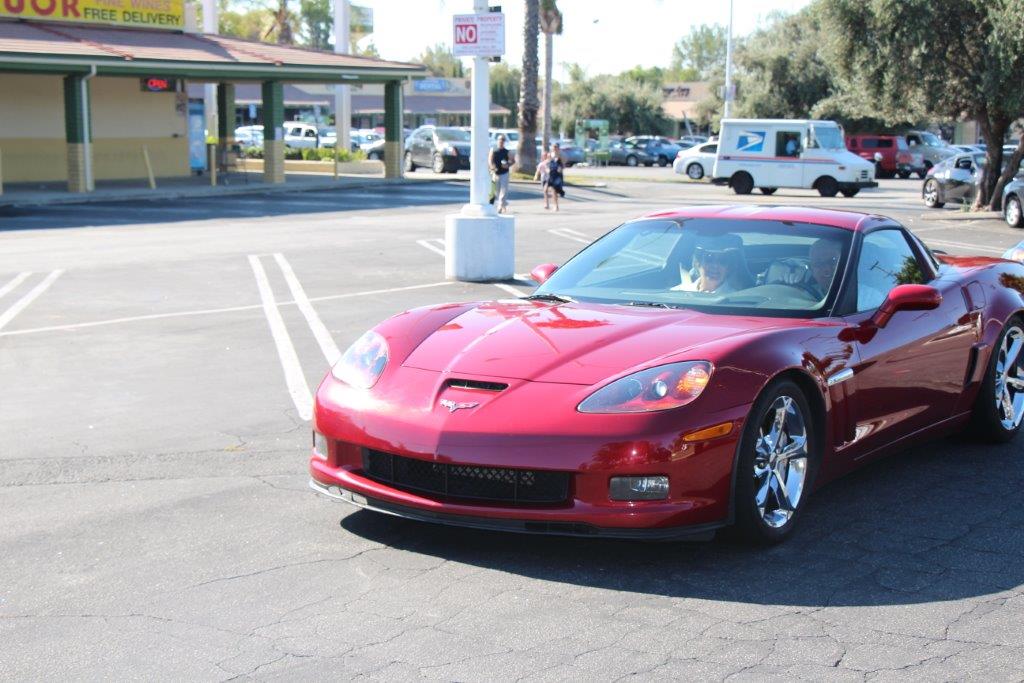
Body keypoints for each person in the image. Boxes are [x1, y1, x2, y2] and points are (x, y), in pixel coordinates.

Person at [675, 235, 743, 294]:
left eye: (722, 260)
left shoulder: (736, 300)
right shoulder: (677, 294)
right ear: (697, 263)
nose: (715, 265)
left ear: (728, 269)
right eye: (709, 258)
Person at [488, 134, 511, 213]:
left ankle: (500, 206)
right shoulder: (493, 150)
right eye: (500, 140)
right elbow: (490, 160)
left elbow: (512, 160)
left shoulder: (506, 151)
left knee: (503, 190)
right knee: (496, 191)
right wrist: (492, 167)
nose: (501, 141)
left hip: (504, 173)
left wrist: (508, 165)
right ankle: (503, 204)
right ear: (497, 141)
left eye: (503, 140)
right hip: (496, 173)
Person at [545, 143, 566, 211]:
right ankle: (547, 204)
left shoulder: (560, 155)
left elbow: (563, 165)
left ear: (558, 148)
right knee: (545, 189)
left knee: (554, 191)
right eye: (553, 147)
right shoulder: (550, 155)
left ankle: (556, 206)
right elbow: (547, 163)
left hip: (557, 175)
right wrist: (547, 169)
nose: (554, 148)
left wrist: (561, 168)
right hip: (551, 174)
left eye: (556, 147)